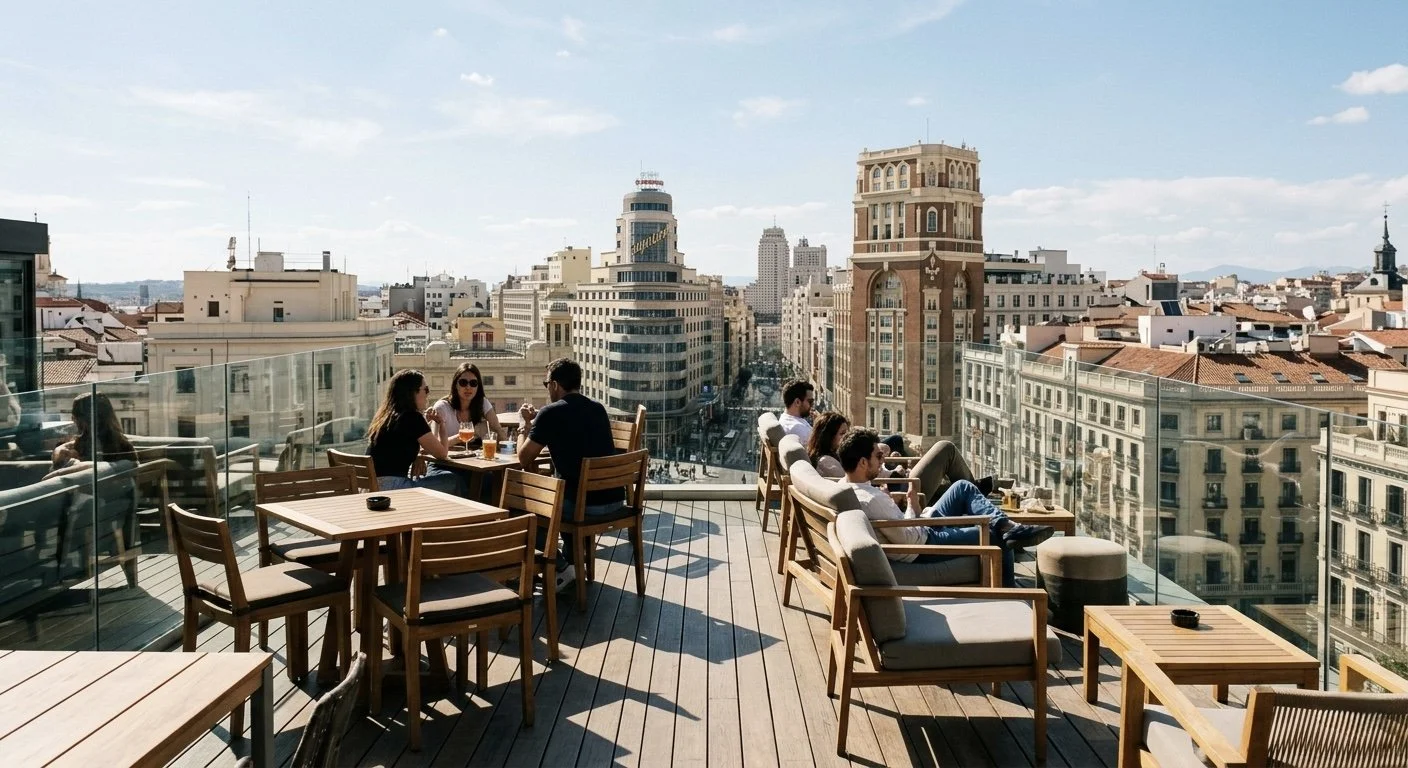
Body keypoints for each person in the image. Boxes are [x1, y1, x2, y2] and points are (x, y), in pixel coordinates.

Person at [836, 428, 1053, 588]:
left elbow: (900, 531)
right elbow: (908, 540)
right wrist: (912, 507)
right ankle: (1009, 594)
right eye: (878, 456)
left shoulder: (842, 487)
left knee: (962, 488)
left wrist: (908, 509)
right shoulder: (873, 499)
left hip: (918, 530)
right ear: (863, 463)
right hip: (922, 544)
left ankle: (1007, 524)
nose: (882, 461)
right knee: (995, 537)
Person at [517, 358, 624, 591]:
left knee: (520, 509)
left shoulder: (550, 413)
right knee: (562, 494)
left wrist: (525, 427)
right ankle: (573, 564)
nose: (547, 390)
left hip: (583, 507)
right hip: (615, 501)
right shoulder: (598, 409)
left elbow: (524, 459)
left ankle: (561, 567)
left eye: (547, 385)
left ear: (555, 385)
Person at [366, 369, 465, 494]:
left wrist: (417, 456)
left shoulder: (386, 416)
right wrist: (442, 424)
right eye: (426, 390)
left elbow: (396, 446)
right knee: (453, 480)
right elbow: (442, 454)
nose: (428, 394)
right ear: (413, 392)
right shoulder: (412, 417)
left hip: (369, 488)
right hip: (393, 489)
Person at [49, 392, 137, 475]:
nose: (73, 420)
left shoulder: (83, 448)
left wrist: (60, 453)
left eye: (74, 416)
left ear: (84, 419)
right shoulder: (124, 445)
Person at [429, 362, 506, 451]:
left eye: (473, 383)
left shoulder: (483, 403)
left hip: (472, 460)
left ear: (478, 386)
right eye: (463, 382)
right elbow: (435, 444)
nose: (468, 387)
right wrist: (461, 436)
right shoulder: (442, 407)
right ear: (455, 385)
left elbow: (499, 431)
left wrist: (502, 442)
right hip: (444, 461)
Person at [809, 412, 904, 480]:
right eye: (842, 433)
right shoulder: (826, 462)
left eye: (847, 432)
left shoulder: (835, 454)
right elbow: (856, 478)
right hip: (871, 489)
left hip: (874, 482)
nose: (847, 437)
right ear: (828, 437)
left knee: (896, 439)